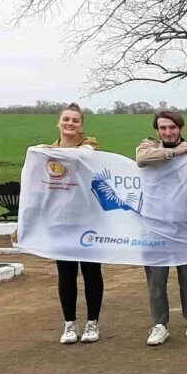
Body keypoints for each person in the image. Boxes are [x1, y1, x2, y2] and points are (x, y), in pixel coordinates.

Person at [134, 110, 187, 346]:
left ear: (181, 129)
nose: (168, 132)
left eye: (173, 127)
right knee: (157, 279)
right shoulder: (148, 149)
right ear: (157, 131)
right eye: (163, 128)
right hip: (154, 227)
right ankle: (159, 325)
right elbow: (141, 159)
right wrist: (175, 152)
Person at [44, 104, 106, 345]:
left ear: (81, 125)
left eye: (75, 121)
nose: (70, 124)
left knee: (91, 272)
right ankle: (69, 323)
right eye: (66, 120)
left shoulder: (91, 146)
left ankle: (93, 322)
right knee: (66, 273)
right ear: (58, 123)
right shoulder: (46, 153)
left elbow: (87, 156)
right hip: (60, 221)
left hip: (89, 220)